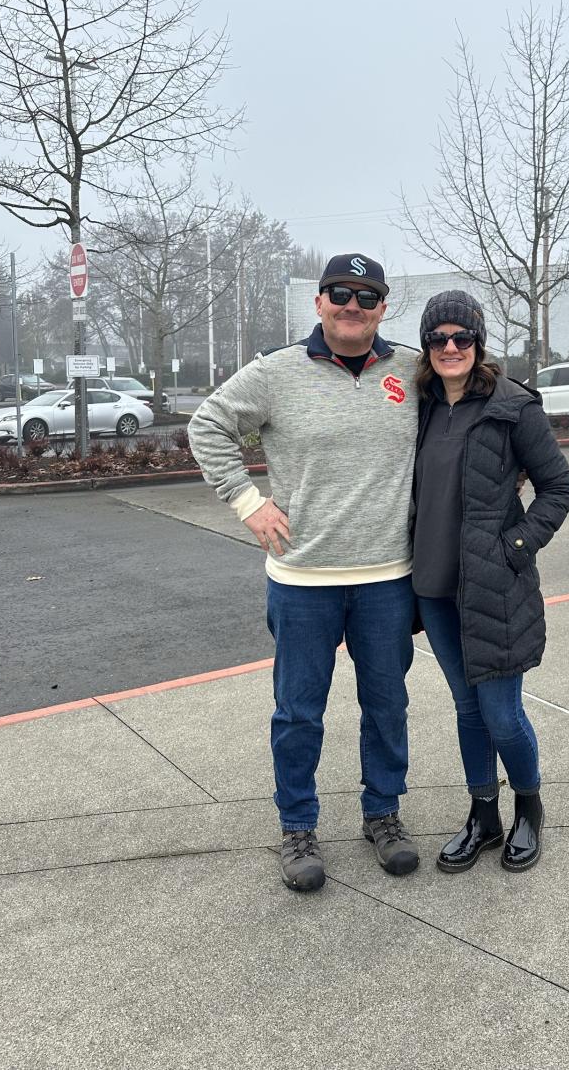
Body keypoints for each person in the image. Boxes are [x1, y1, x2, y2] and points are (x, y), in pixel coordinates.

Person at [188, 253, 420, 893]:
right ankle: (297, 828)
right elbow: (208, 425)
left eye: (366, 296)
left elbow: (472, 406)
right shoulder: (275, 373)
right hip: (303, 580)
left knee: (387, 704)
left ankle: (384, 815)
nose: (353, 305)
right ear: (319, 302)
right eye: (339, 293)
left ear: (383, 305)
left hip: (387, 579)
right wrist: (248, 502)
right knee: (298, 712)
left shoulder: (410, 372)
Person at [412, 291, 569, 873]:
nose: (449, 348)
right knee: (466, 708)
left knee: (502, 714)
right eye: (438, 339)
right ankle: (484, 814)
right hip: (433, 589)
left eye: (461, 337)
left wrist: (517, 546)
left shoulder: (513, 406)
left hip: (494, 587)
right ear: (427, 347)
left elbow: (559, 487)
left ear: (478, 343)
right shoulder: (422, 407)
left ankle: (528, 809)